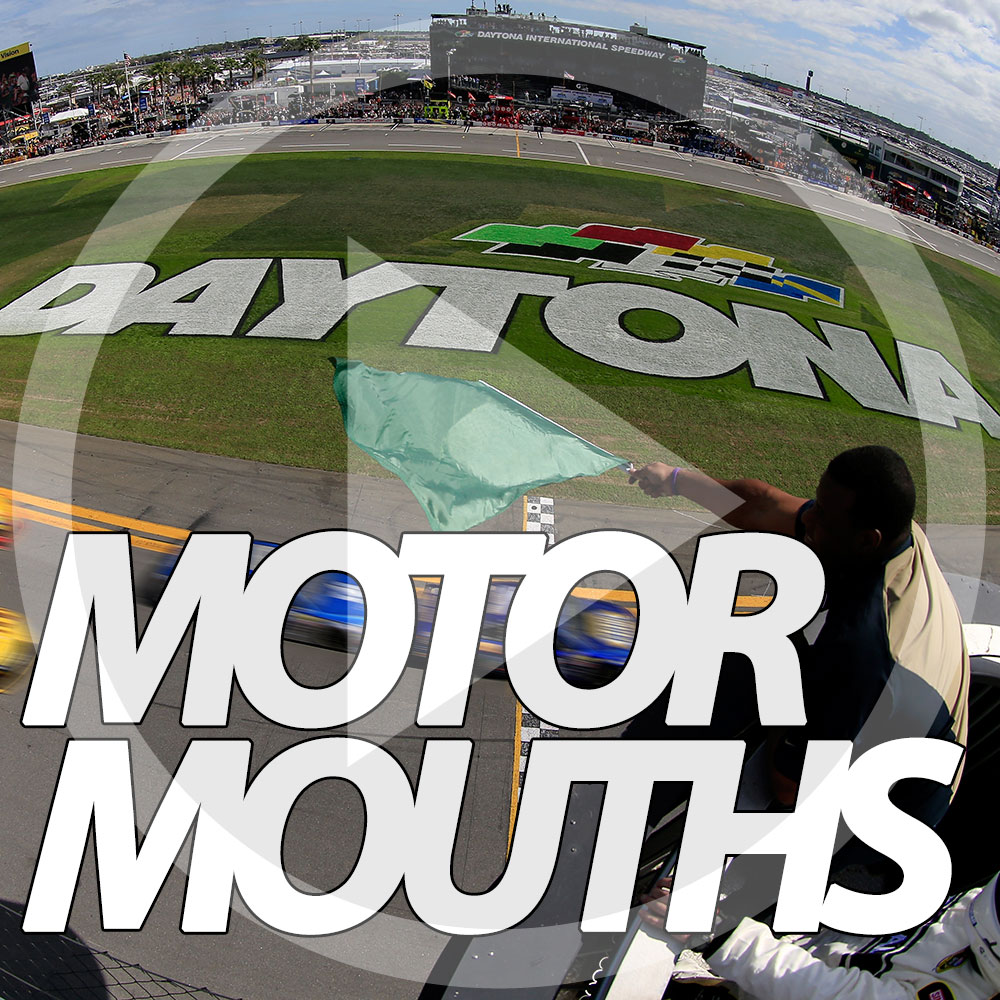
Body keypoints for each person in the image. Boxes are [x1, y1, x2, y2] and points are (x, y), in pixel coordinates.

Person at [627, 446, 969, 840]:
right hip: (894, 709)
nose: (808, 518)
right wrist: (675, 480)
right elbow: (763, 505)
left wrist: (781, 686)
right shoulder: (896, 533)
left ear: (866, 541)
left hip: (888, 816)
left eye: (823, 515)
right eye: (817, 504)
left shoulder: (862, 651)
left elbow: (789, 786)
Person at [638, 872, 1000, 1000]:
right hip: (825, 937)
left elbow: (825, 990)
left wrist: (714, 930)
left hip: (784, 977)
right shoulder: (983, 905)